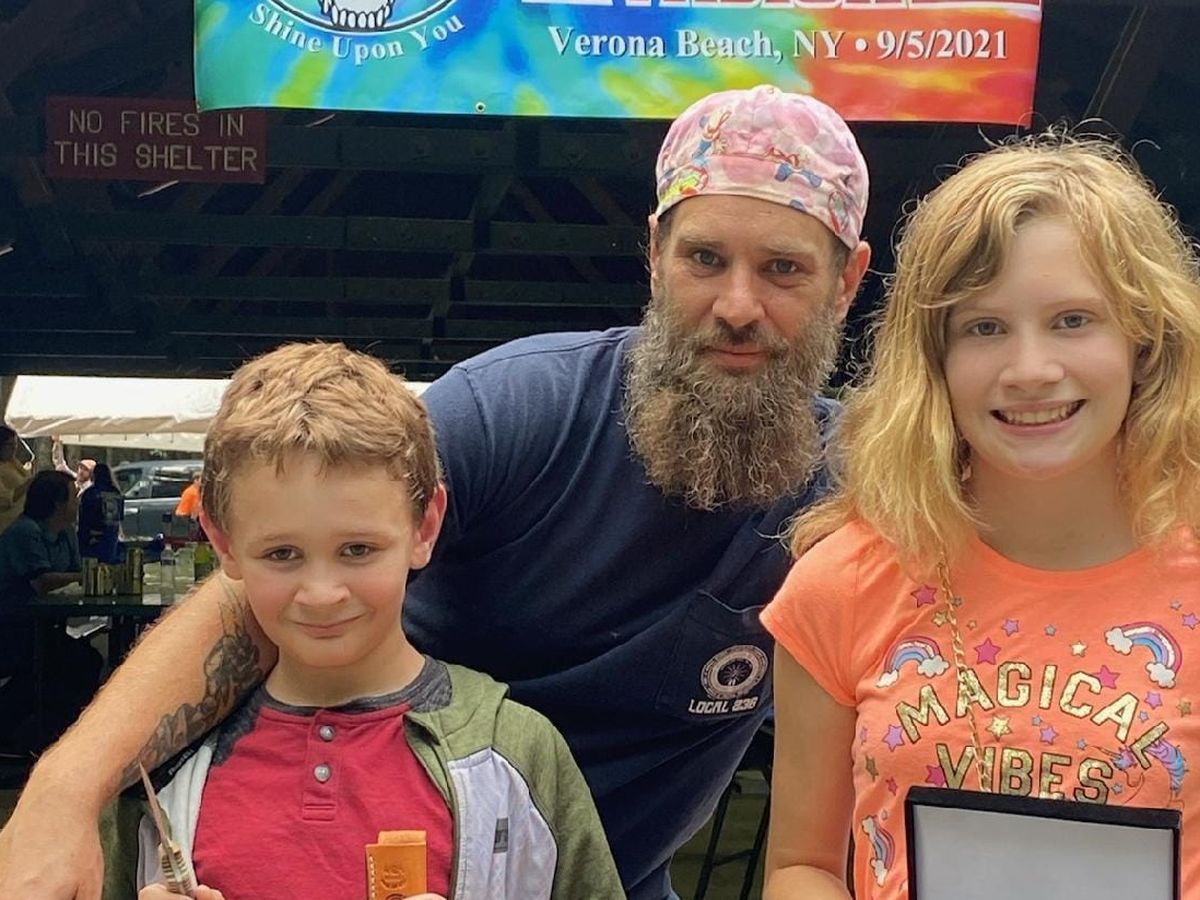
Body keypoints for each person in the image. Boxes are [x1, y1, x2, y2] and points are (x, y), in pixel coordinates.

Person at [0, 84, 872, 900]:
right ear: (654, 256)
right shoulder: (518, 409)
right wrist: (64, 790)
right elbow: (270, 581)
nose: (737, 305)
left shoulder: (862, 485)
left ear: (847, 281)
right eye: (705, 258)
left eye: (783, 269)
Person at [760, 135, 1200, 898]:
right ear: (934, 362)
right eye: (984, 328)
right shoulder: (844, 582)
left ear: (1145, 338)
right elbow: (802, 866)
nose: (1030, 370)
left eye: (1073, 320)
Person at [105, 342, 620, 900]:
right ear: (224, 543)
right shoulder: (161, 768)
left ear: (425, 527)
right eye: (282, 554)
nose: (322, 594)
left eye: (357, 549)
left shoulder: (517, 752)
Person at [0, 470, 103, 750]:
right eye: (73, 497)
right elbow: (42, 580)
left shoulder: (67, 533)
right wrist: (86, 577)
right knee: (66, 662)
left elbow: (73, 573)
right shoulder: (25, 532)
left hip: (46, 627)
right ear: (58, 503)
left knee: (85, 660)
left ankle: (55, 731)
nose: (77, 502)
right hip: (13, 628)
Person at [78, 462, 124, 563]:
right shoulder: (117, 494)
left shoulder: (90, 494)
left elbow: (84, 519)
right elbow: (119, 518)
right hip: (111, 538)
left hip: (93, 540)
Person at [0, 424, 33, 533]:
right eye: (9, 445)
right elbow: (4, 500)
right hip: (7, 525)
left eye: (15, 444)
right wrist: (28, 483)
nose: (14, 448)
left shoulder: (13, 462)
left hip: (23, 520)